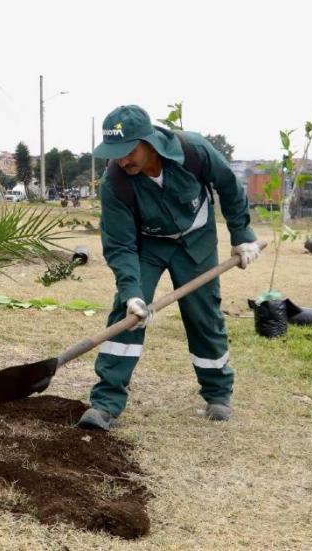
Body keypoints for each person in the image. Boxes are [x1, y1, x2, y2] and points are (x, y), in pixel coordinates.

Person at [77, 105, 260, 431]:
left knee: (203, 313)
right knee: (128, 315)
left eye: (128, 151)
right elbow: (120, 245)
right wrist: (132, 292)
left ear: (149, 141)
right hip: (148, 244)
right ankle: (106, 403)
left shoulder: (193, 151)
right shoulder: (114, 183)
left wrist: (242, 235)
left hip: (196, 240)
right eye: (115, 154)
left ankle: (218, 393)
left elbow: (229, 186)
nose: (122, 160)